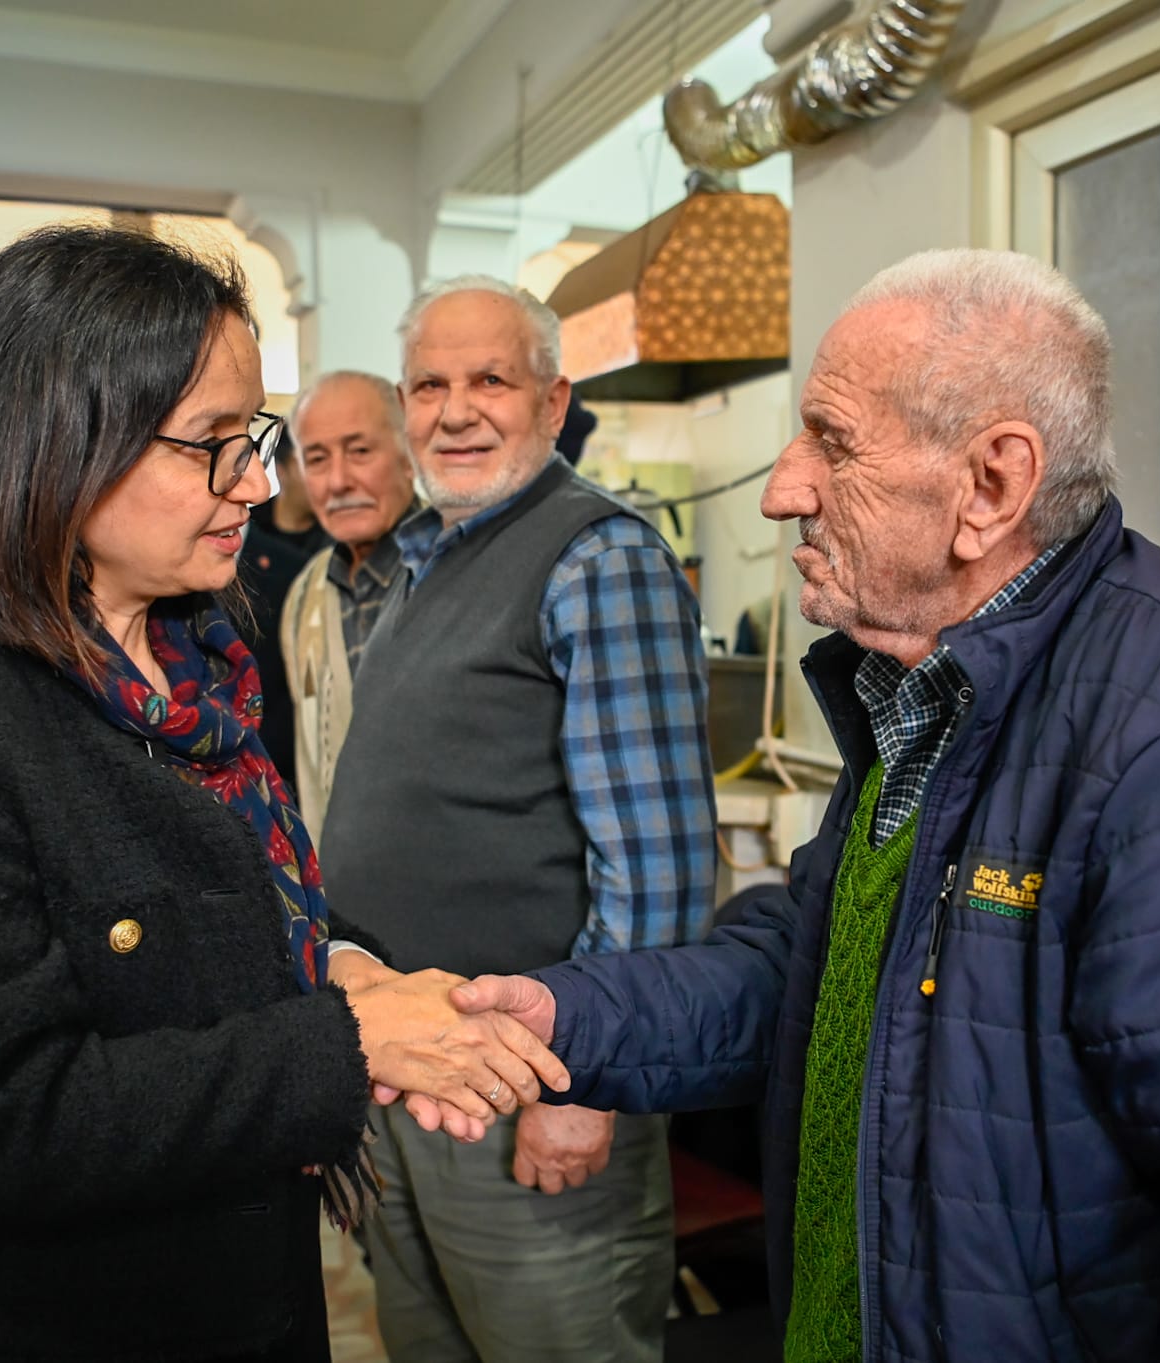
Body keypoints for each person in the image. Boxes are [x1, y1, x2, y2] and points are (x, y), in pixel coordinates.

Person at [448, 250, 1160, 1361]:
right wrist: (568, 1017)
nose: (782, 490)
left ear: (991, 487)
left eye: (831, 443)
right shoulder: (924, 681)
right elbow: (822, 967)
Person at [0, 225, 567, 1363]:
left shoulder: (196, 655)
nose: (257, 482)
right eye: (212, 443)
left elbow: (213, 919)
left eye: (252, 438)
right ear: (59, 441)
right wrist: (344, 1039)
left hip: (244, 1274)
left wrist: (341, 962)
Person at [321, 276, 717, 1363]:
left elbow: (658, 865)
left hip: (529, 1084)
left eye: (490, 380)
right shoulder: (422, 560)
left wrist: (592, 1082)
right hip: (408, 1074)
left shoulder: (600, 558)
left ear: (552, 401)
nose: (455, 412)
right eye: (428, 385)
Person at [278, 370, 419, 845]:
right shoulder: (305, 594)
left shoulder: (463, 572)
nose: (338, 481)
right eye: (317, 459)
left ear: (409, 453)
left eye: (359, 451)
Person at [232, 426, 330, 805]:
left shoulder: (329, 557)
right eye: (315, 463)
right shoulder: (236, 535)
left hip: (280, 765)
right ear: (285, 470)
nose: (330, 479)